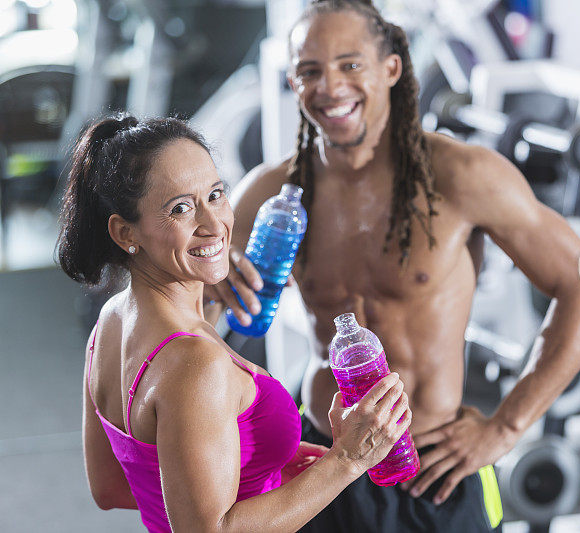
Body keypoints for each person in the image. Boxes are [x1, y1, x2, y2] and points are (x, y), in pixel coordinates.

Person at [205, 1, 580, 531]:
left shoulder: (462, 176)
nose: (330, 87)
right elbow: (189, 315)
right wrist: (217, 287)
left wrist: (507, 426)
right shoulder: (272, 193)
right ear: (293, 81)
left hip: (430, 470)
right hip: (321, 463)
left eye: (350, 64)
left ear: (391, 69)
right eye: (311, 70)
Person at [57, 113, 413, 532]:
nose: (214, 225)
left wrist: (254, 467)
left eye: (215, 194)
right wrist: (348, 459)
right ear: (124, 233)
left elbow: (112, 488)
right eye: (181, 208)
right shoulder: (194, 364)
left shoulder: (111, 323)